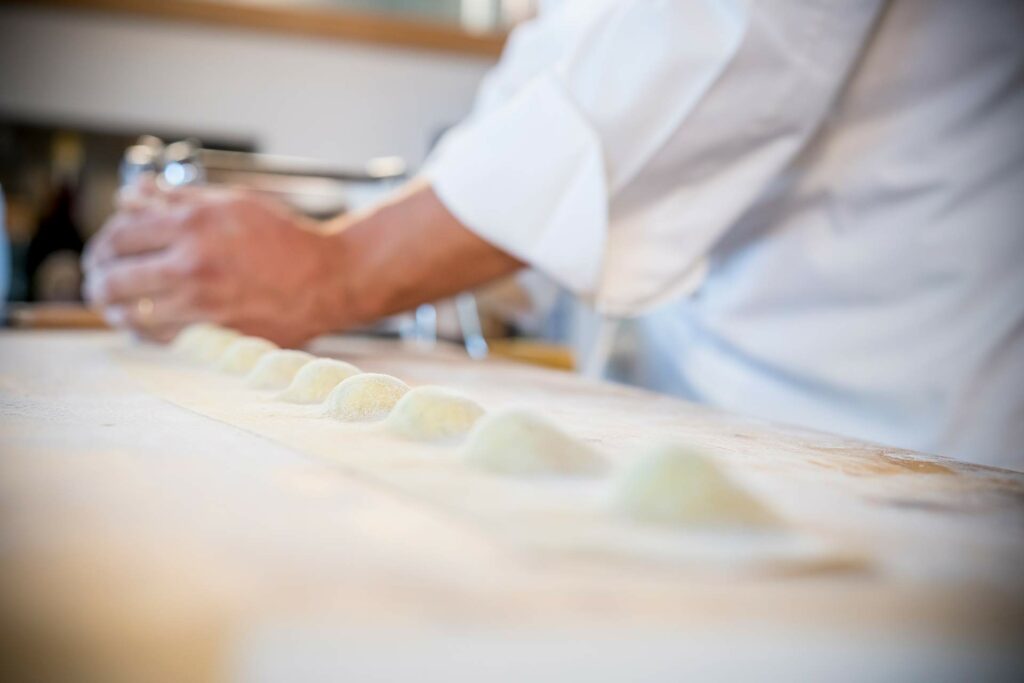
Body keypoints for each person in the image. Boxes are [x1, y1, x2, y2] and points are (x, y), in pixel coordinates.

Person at [83, 0, 1024, 470]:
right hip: (702, 424)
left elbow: (718, 48)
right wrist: (344, 255)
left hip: (907, 433)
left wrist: (338, 265)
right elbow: (521, 122)